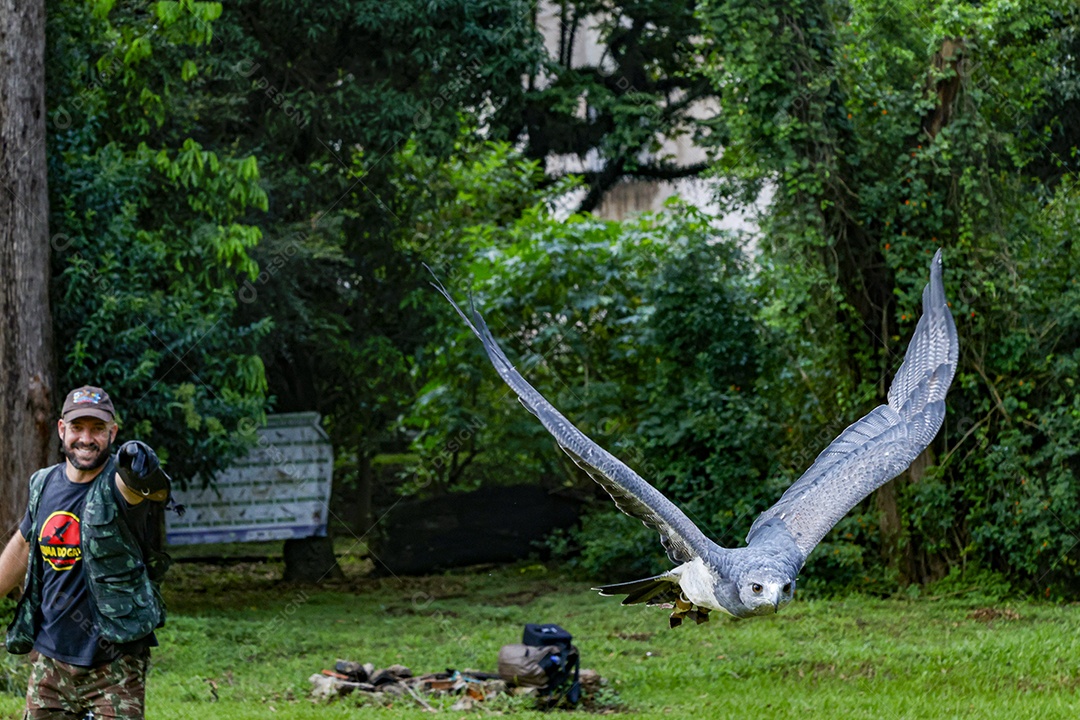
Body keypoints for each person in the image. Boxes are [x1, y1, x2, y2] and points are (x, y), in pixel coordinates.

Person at [0, 386, 172, 719]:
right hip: (50, 663)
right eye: (77, 428)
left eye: (97, 429)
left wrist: (142, 465)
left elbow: (143, 486)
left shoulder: (119, 484)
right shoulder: (43, 484)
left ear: (113, 432)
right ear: (62, 429)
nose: (86, 438)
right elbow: (22, 544)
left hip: (115, 666)